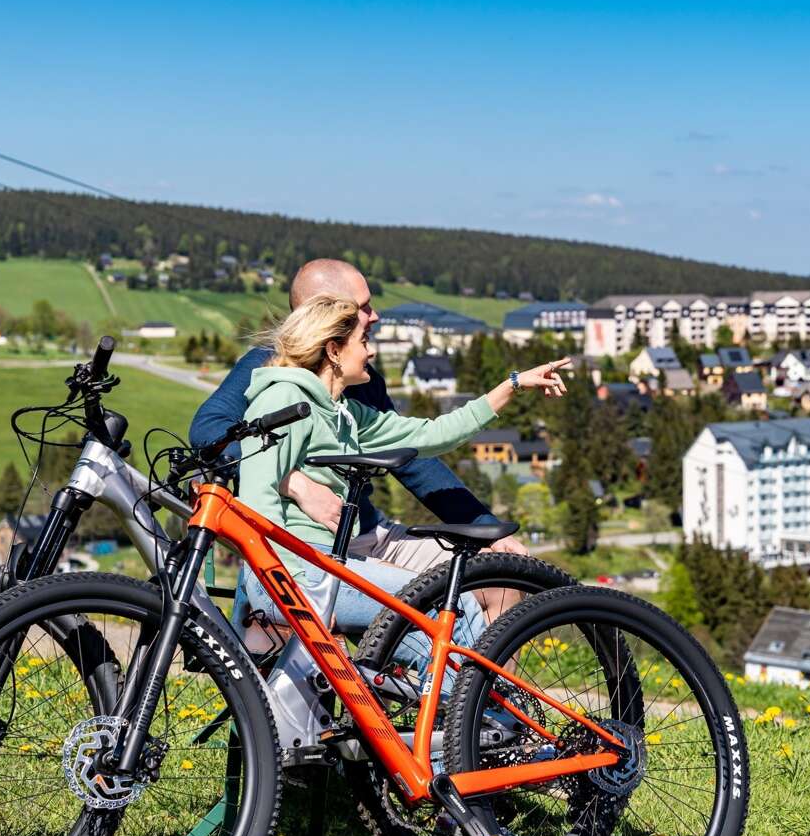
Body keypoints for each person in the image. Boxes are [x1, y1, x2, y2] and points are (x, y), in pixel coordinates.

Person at [190, 258, 526, 615]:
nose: (376, 315)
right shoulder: (271, 371)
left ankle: (477, 673)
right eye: (364, 306)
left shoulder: (363, 381)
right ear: (324, 314)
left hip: (366, 531)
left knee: (501, 582)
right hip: (306, 543)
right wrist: (295, 483)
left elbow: (414, 455)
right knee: (431, 612)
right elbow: (208, 431)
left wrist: (488, 531)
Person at [234, 293, 570, 643]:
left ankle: (452, 697)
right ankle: (472, 698)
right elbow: (259, 503)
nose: (371, 352)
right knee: (458, 608)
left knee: (437, 639)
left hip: (323, 566)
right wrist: (297, 592)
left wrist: (510, 386)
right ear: (334, 351)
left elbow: (433, 434)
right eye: (363, 342)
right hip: (297, 573)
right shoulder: (285, 399)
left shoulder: (345, 413)